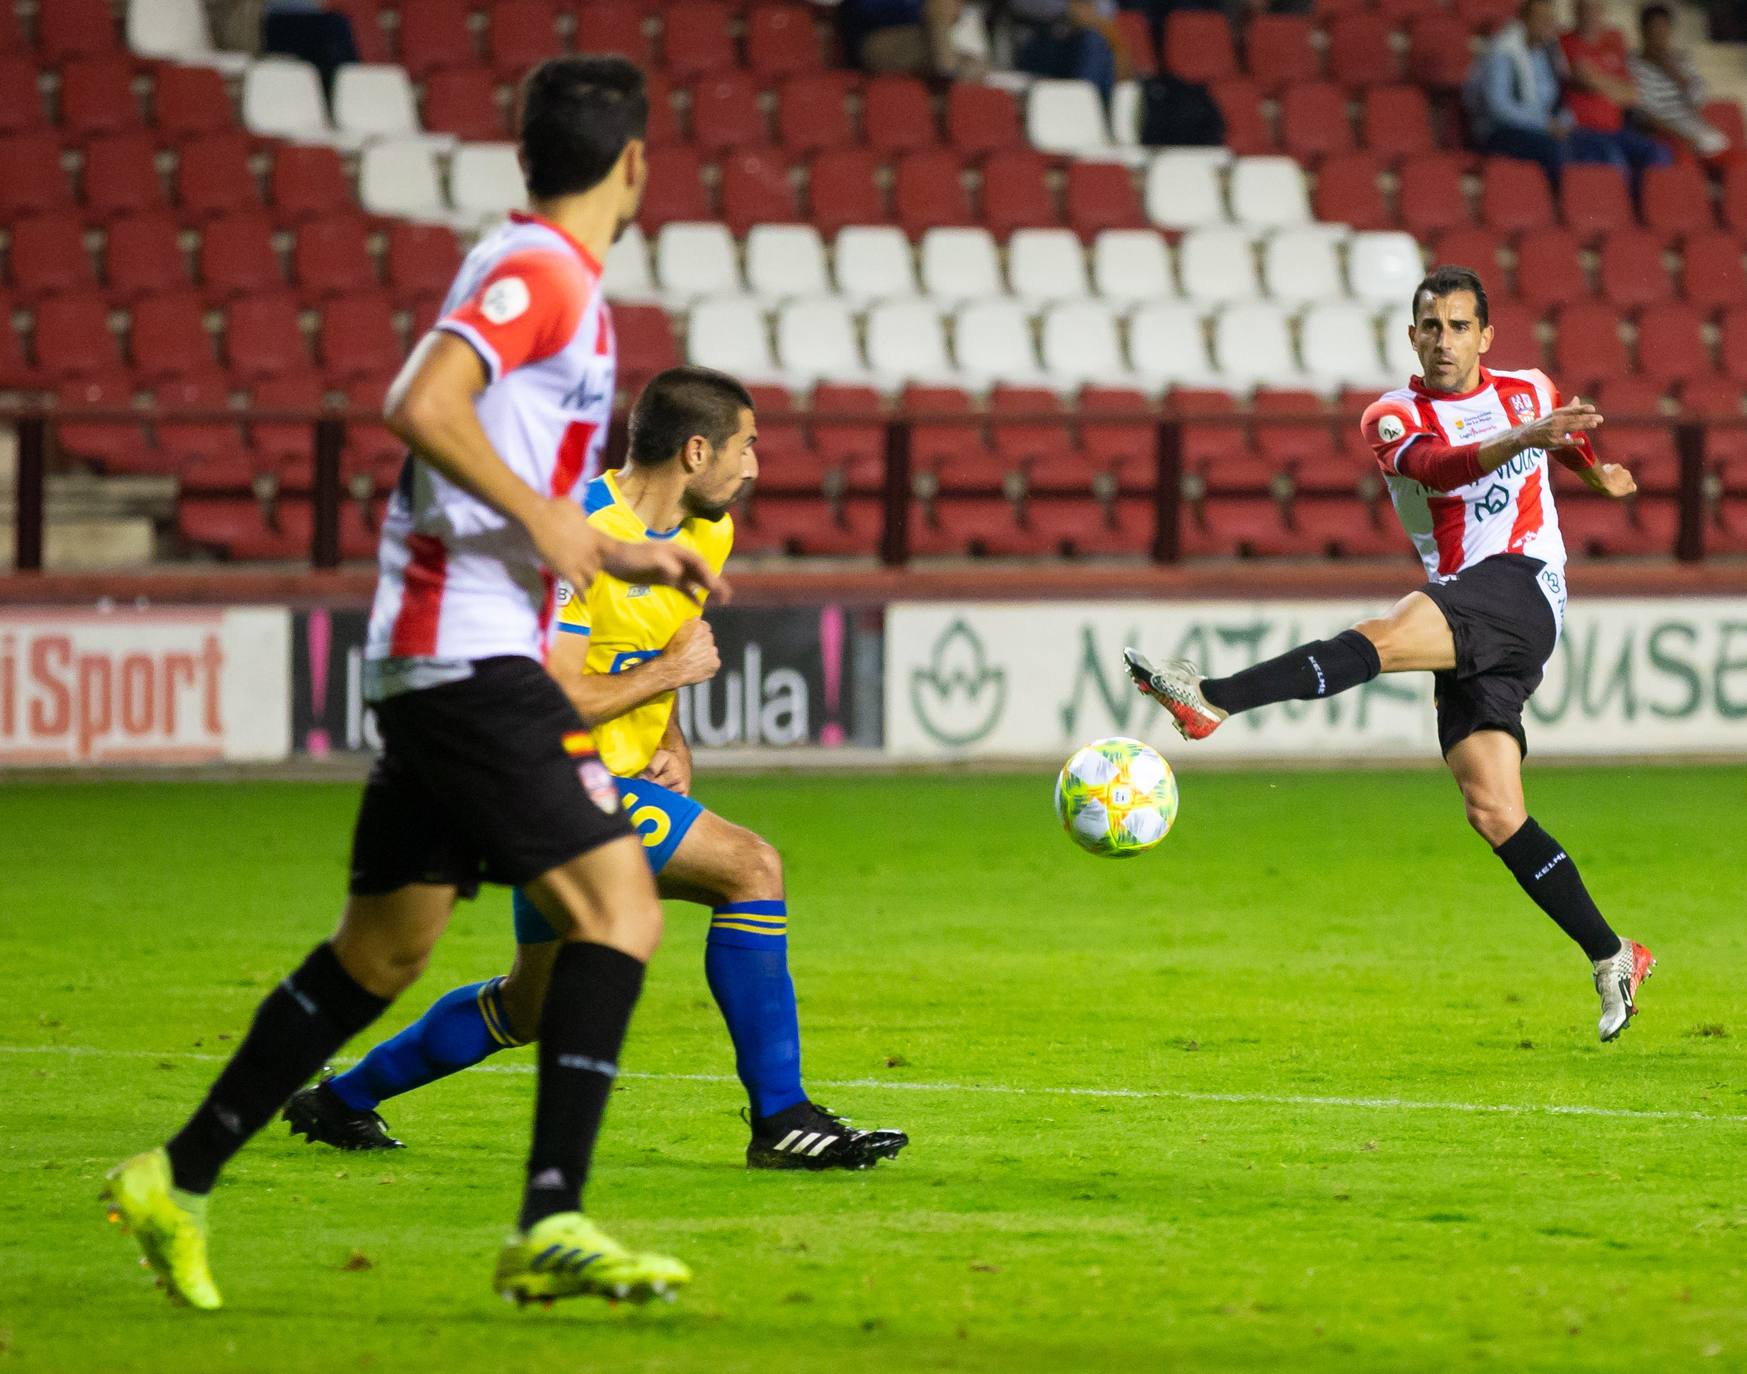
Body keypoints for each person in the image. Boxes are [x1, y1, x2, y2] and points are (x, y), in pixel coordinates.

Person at [100, 56, 722, 1312]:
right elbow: (418, 402)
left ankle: (177, 1175)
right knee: (620, 909)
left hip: (446, 652)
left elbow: (483, 469)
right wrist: (556, 526)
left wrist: (601, 544)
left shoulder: (564, 287)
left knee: (384, 950)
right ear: (637, 164)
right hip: (466, 655)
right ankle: (551, 1220)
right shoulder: (538, 271)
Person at [283, 367, 910, 1172]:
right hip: (540, 780)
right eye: (746, 446)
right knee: (751, 869)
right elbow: (541, 703)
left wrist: (673, 740)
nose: (754, 466)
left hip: (597, 784)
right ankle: (781, 1117)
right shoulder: (574, 538)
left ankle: (339, 1100)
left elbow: (663, 649)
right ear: (695, 450)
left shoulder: (705, 529)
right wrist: (664, 678)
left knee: (528, 1004)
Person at [1124, 265, 1656, 1045]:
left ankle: (1213, 699)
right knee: (1494, 812)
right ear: (1411, 336)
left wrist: (1594, 472)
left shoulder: (1528, 389)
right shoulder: (1391, 416)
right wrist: (1529, 440)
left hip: (1522, 587)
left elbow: (1559, 434)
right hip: (1470, 606)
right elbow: (1442, 468)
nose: (1443, 340)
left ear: (1485, 336)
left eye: (1457, 326)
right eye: (1429, 327)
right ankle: (1613, 953)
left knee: (1384, 634)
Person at [1464, 0, 1586, 188]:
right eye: (1541, 19)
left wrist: (1564, 122)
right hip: (1501, 132)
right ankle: (1561, 209)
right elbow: (1498, 107)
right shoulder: (1503, 52)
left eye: (1550, 19)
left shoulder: (1550, 54)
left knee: (1591, 146)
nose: (1548, 25)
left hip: (1542, 129)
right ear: (1523, 20)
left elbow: (1559, 101)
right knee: (1555, 150)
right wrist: (1545, 125)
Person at [1558, 0, 1672, 184]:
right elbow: (1582, 77)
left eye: (1594, 9)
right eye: (1585, 9)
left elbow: (1632, 95)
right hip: (1583, 131)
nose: (1590, 15)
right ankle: (1625, 210)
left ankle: (1644, 208)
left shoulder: (1614, 41)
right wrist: (1611, 85)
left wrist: (1597, 80)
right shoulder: (1565, 41)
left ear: (1603, 11)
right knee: (1614, 160)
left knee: (1659, 153)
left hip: (1616, 130)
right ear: (1575, 11)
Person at [1629, 3, 1738, 169]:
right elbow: (1641, 112)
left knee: (1735, 160)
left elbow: (1699, 99)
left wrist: (1674, 72)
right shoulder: (1632, 65)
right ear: (1644, 31)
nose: (1659, 36)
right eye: (1654, 30)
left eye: (1664, 30)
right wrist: (1677, 134)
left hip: (1693, 130)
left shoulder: (1682, 62)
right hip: (1661, 132)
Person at [1006, 0, 1129, 103]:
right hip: (1038, 45)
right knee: (1096, 44)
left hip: (1082, 43)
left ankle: (1091, 112)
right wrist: (1068, 8)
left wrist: (1087, 15)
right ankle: (1083, 109)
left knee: (1095, 43)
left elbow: (1105, 11)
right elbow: (1022, 5)